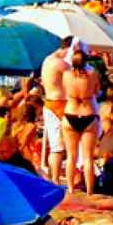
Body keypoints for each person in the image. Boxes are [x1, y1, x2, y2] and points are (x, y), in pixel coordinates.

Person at [63, 45, 99, 195]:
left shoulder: (66, 75)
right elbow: (97, 91)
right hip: (88, 113)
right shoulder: (93, 75)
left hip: (70, 113)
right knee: (88, 157)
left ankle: (70, 189)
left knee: (71, 156)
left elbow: (65, 89)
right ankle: (90, 191)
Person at [41, 37, 71, 184]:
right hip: (60, 103)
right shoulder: (61, 63)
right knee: (59, 147)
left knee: (55, 146)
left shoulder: (47, 60)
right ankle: (56, 180)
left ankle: (54, 179)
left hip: (49, 102)